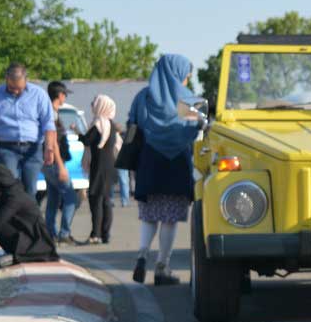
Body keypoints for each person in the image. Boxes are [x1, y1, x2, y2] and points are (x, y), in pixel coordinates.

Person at [129, 54, 204, 285]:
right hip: (178, 161)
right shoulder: (190, 100)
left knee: (150, 215)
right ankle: (162, 267)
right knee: (170, 218)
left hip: (149, 160)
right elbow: (201, 130)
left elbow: (133, 126)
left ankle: (142, 254)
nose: (186, 80)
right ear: (178, 74)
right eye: (186, 76)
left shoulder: (144, 96)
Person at [0, 63, 61, 195]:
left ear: (26, 80)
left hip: (33, 149)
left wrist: (49, 148)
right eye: (11, 87)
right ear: (6, 79)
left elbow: (48, 123)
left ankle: (28, 216)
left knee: (30, 189)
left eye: (18, 88)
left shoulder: (39, 95)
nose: (15, 91)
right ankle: (8, 215)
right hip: (6, 148)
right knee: (9, 187)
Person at [0, 164, 57, 263]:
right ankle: (16, 252)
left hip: (37, 246)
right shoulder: (11, 192)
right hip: (30, 240)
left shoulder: (14, 197)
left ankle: (21, 254)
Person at [42, 81, 79, 245]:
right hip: (55, 163)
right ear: (59, 95)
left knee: (53, 200)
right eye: (64, 94)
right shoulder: (52, 113)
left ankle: (50, 234)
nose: (65, 97)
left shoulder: (49, 111)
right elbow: (53, 142)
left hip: (48, 163)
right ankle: (64, 234)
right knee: (71, 198)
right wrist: (61, 166)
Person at [82, 94, 121, 244]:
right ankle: (105, 234)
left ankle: (96, 234)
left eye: (94, 103)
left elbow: (87, 140)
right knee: (105, 200)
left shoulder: (99, 124)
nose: (92, 105)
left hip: (99, 167)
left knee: (96, 200)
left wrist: (77, 132)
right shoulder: (110, 124)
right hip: (109, 166)